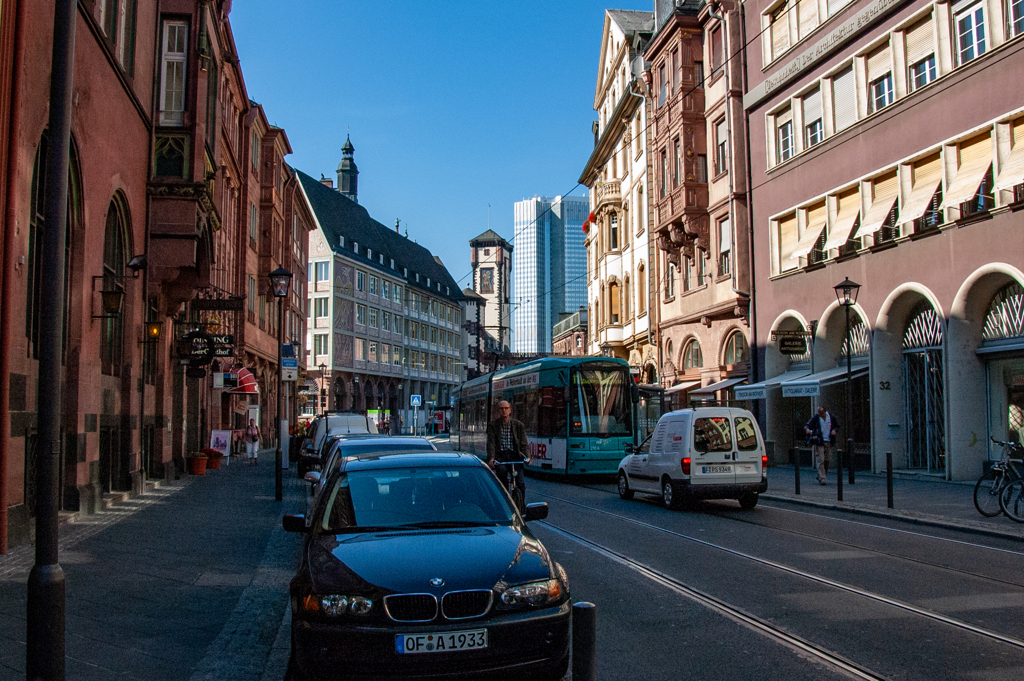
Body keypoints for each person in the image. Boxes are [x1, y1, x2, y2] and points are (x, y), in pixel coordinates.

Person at [486, 400, 531, 497]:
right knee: (502, 477)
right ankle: (505, 501)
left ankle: (520, 507)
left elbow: (524, 444)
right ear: (498, 411)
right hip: (501, 456)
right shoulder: (493, 426)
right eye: (501, 409)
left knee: (520, 483)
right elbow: (491, 443)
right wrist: (491, 458)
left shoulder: (518, 425)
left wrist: (527, 457)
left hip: (515, 456)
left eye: (506, 408)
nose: (504, 410)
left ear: (510, 410)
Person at [805, 406, 840, 485]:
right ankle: (822, 478)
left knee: (827, 459)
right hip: (819, 441)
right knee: (821, 459)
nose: (820, 415)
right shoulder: (816, 417)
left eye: (821, 413)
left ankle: (821, 474)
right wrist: (807, 429)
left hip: (829, 441)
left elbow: (837, 426)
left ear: (825, 412)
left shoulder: (831, 417)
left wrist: (835, 430)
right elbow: (808, 425)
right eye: (819, 413)